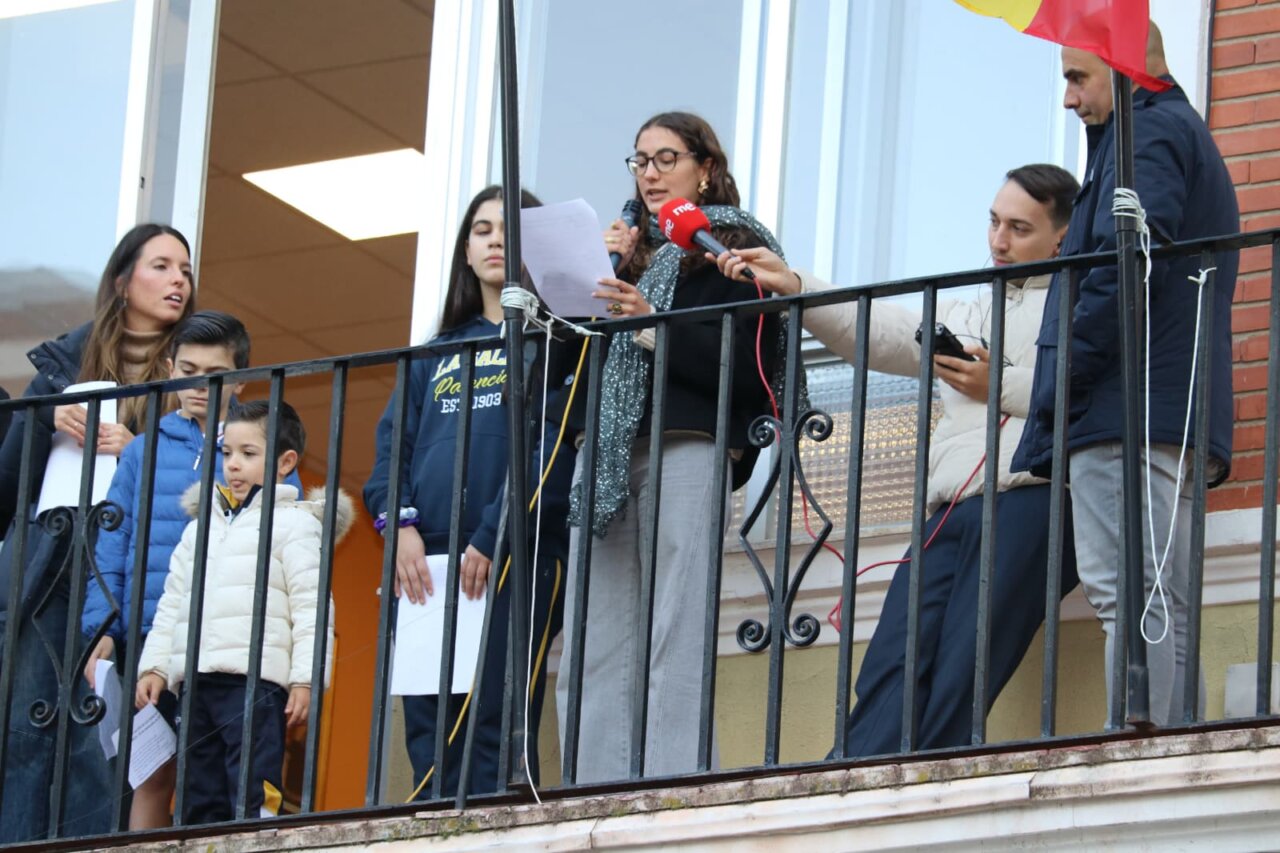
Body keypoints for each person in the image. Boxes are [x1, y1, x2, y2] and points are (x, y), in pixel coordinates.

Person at [716, 164, 1082, 755]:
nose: (998, 241)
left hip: (1030, 497)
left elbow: (1097, 393)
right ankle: (852, 775)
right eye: (993, 222)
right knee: (893, 655)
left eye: (1019, 228)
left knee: (964, 664)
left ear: (1062, 239)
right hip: (949, 507)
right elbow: (880, 331)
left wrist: (999, 384)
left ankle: (919, 781)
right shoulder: (969, 309)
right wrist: (797, 285)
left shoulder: (1086, 308)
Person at [1011, 25, 1239, 727]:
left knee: (1131, 592)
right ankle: (1169, 739)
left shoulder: (1149, 133)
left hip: (1127, 405)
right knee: (1160, 594)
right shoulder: (1159, 134)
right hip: (1159, 402)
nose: (1068, 98)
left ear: (1122, 67)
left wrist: (1067, 377)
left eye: (1077, 77)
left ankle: (1141, 738)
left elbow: (1128, 267)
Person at [555, 111, 784, 783]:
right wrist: (590, 274)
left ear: (705, 168)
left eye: (665, 158)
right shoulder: (627, 253)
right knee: (595, 633)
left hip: (686, 442)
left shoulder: (732, 245)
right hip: (606, 451)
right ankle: (593, 790)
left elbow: (745, 364)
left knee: (676, 625)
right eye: (639, 161)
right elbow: (562, 364)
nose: (649, 174)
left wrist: (652, 322)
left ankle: (672, 783)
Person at [363, 184, 571, 797]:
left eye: (510, 229)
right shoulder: (432, 354)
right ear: (465, 249)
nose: (495, 240)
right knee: (429, 727)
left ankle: (491, 830)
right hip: (426, 553)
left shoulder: (552, 344)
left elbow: (550, 447)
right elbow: (391, 451)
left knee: (495, 720)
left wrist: (491, 533)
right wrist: (398, 526)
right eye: (482, 230)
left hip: (515, 549)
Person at [0, 224, 195, 842]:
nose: (178, 281)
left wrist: (139, 448)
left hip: (128, 571)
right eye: (162, 266)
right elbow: (7, 483)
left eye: (185, 271)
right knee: (26, 723)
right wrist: (43, 418)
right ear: (122, 281)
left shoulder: (190, 374)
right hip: (50, 565)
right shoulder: (61, 365)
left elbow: (206, 473)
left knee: (103, 731)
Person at [79, 310, 296, 828]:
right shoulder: (144, 449)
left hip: (227, 642)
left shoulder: (258, 451)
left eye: (215, 373)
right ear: (170, 370)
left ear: (241, 380)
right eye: (188, 370)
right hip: (154, 636)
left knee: (223, 771)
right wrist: (101, 626)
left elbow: (287, 540)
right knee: (152, 772)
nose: (200, 385)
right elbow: (112, 540)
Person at [135, 399, 344, 824]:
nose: (233, 464)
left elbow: (312, 607)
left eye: (248, 454)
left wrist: (305, 679)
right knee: (197, 792)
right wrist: (153, 666)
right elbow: (172, 602)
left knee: (251, 786)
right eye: (227, 452)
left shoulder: (296, 524)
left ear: (285, 463)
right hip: (195, 680)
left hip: (255, 683)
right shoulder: (200, 528)